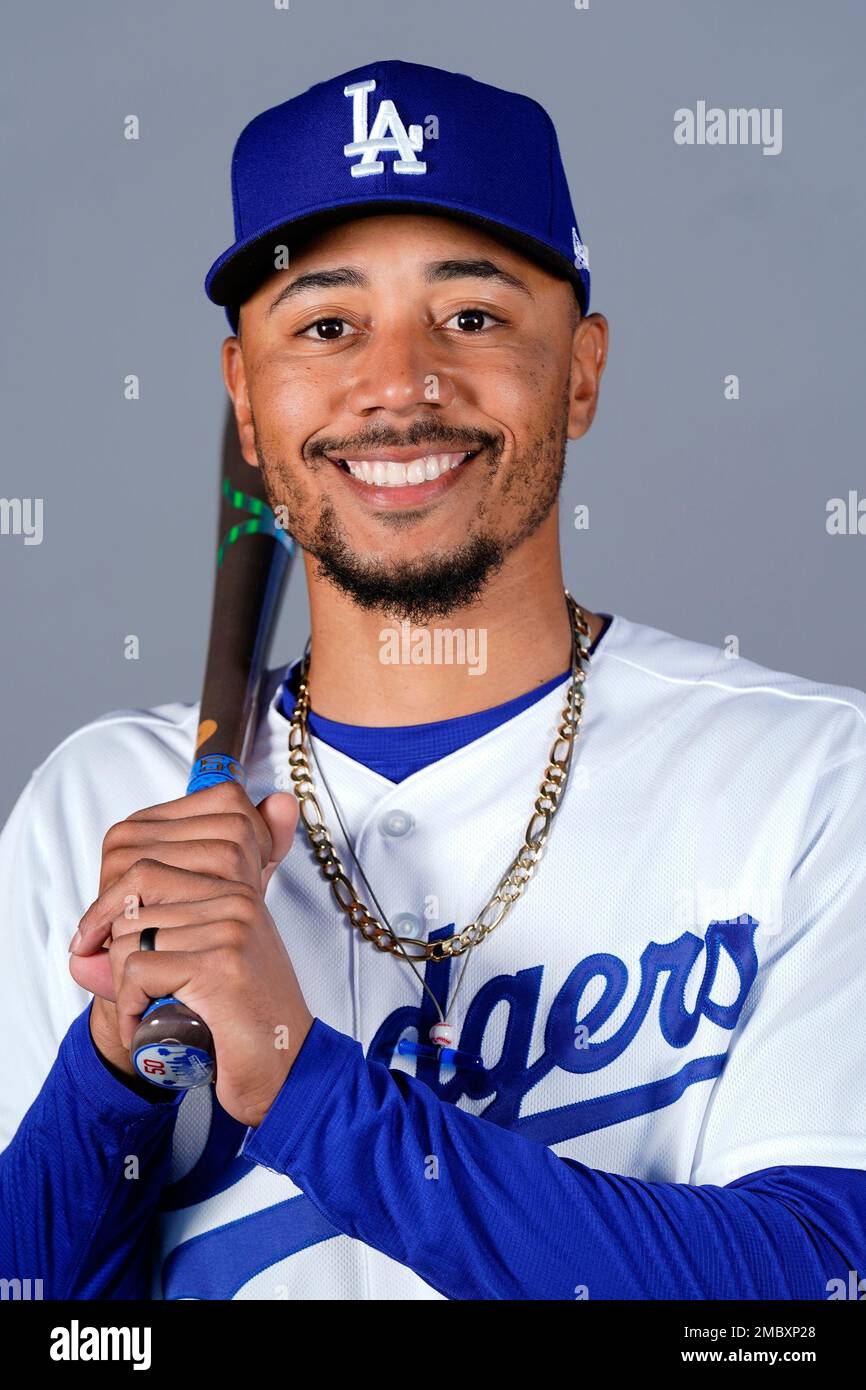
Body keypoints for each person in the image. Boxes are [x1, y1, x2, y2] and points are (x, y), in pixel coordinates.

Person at [1, 59, 865, 1302]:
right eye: (325, 325)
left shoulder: (812, 782)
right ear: (245, 398)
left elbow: (809, 1297)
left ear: (579, 369)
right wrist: (113, 1068)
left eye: (470, 316)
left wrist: (302, 1086)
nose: (397, 386)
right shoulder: (103, 809)